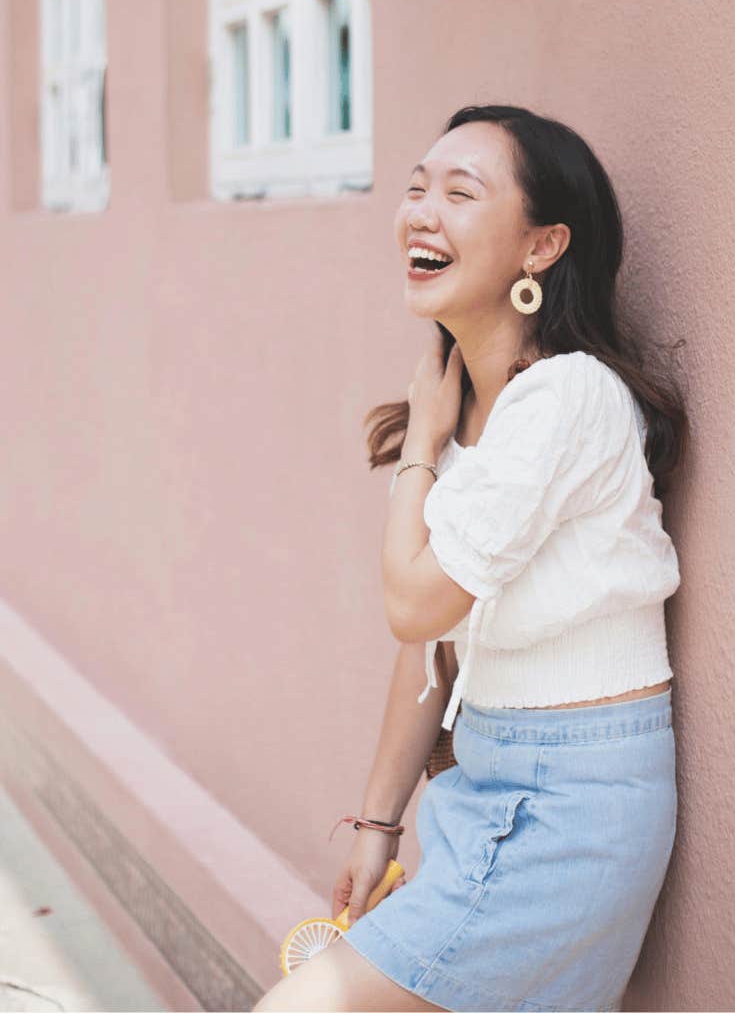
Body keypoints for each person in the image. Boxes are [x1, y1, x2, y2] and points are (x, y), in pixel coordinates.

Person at [253, 104, 688, 1012]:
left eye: (460, 193)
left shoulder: (567, 397)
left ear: (541, 247)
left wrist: (420, 441)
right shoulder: (472, 423)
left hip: (561, 807)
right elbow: (429, 650)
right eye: (416, 188)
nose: (421, 211)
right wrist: (377, 825)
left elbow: (412, 607)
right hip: (482, 783)